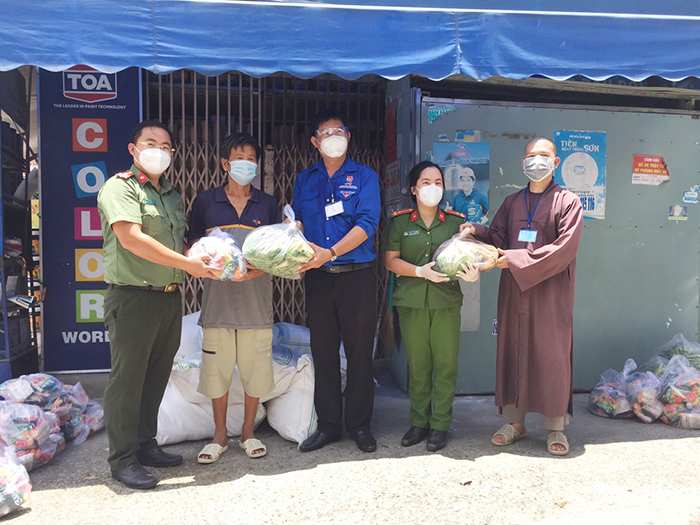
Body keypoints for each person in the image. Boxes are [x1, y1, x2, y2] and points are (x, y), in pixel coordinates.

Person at [97, 120, 219, 490]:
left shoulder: (170, 194)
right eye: (151, 143)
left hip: (168, 298)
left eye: (166, 146)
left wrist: (208, 257)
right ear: (133, 149)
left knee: (154, 379)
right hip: (132, 297)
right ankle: (121, 460)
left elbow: (177, 247)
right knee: (127, 381)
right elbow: (131, 239)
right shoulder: (120, 188)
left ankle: (145, 446)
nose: (159, 150)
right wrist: (188, 265)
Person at [464, 136, 583, 456]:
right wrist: (477, 230)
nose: (537, 161)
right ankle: (514, 423)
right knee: (512, 351)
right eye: (531, 156)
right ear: (523, 163)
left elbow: (564, 249)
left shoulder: (568, 202)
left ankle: (555, 427)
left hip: (551, 294)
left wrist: (513, 259)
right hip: (515, 292)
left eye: (544, 155)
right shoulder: (513, 202)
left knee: (551, 355)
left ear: (556, 163)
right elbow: (500, 236)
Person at [187, 132, 282, 464]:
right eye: (240, 158)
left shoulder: (267, 204)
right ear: (226, 163)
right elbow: (192, 250)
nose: (247, 164)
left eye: (251, 159)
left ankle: (248, 432)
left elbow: (275, 255)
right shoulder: (205, 202)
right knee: (217, 374)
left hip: (256, 306)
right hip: (218, 306)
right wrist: (220, 268)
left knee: (256, 372)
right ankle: (219, 435)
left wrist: (249, 273)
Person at [292, 108, 381, 453]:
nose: (333, 138)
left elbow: (367, 224)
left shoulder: (364, 177)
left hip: (356, 277)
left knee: (360, 353)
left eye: (339, 131)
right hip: (318, 280)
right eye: (325, 133)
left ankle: (360, 425)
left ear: (348, 136)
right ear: (315, 141)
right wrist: (294, 232)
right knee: (323, 352)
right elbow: (298, 220)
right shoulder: (305, 179)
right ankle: (329, 425)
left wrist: (330, 252)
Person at [383, 161, 478, 452]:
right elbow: (390, 261)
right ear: (414, 189)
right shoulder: (400, 222)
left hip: (445, 302)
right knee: (419, 367)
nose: (433, 187)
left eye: (438, 182)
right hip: (411, 303)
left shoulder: (455, 222)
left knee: (446, 366)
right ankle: (418, 423)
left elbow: (469, 256)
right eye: (426, 182)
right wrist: (419, 271)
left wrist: (474, 273)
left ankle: (439, 425)